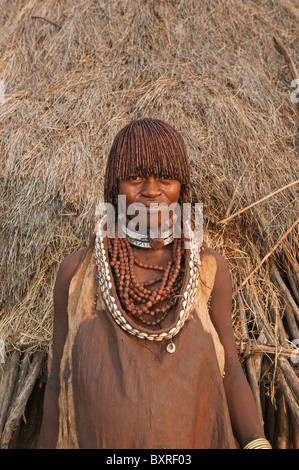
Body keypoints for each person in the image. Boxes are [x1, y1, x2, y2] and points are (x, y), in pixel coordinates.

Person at [40, 118, 271, 449]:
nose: (151, 190)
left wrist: (257, 443)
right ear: (114, 186)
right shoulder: (77, 273)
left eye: (165, 178)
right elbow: (57, 383)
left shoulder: (207, 270)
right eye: (135, 178)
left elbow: (231, 371)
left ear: (182, 187)